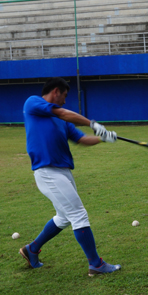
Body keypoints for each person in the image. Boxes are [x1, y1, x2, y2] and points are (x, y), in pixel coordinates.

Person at [19, 77, 121, 276]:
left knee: (64, 217)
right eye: (64, 96)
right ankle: (96, 264)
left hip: (63, 172)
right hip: (47, 171)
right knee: (78, 215)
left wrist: (102, 138)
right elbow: (63, 112)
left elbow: (81, 139)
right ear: (55, 91)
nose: (65, 100)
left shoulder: (61, 121)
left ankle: (31, 249)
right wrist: (93, 123)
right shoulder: (33, 102)